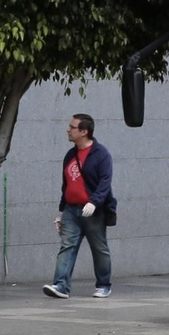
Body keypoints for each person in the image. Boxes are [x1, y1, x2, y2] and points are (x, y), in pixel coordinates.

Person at [45, 113, 115, 300]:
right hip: (71, 209)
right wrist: (60, 213)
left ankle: (103, 285)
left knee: (99, 248)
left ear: (84, 132)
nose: (68, 130)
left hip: (93, 211)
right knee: (67, 246)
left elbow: (105, 182)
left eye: (72, 127)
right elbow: (66, 184)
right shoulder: (70, 155)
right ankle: (61, 286)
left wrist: (94, 202)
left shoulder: (101, 154)